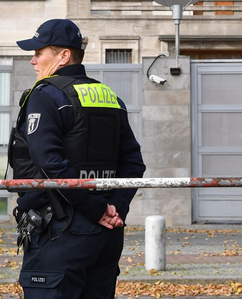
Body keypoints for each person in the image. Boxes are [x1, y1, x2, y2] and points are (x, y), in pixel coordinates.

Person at [9, 18, 146, 298]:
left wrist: (96, 210)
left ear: (63, 56)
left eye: (38, 53)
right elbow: (133, 163)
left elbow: (49, 163)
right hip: (106, 234)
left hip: (61, 229)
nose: (33, 61)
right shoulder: (109, 96)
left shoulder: (45, 95)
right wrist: (115, 208)